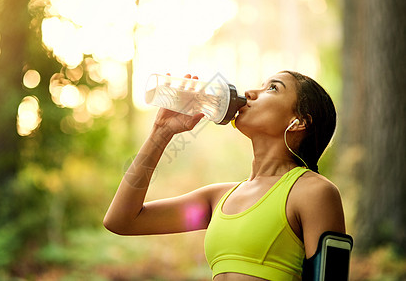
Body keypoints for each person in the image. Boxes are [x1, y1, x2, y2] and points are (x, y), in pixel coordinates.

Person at [103, 71, 346, 281]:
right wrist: (161, 132)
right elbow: (123, 220)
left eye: (272, 88)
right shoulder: (217, 198)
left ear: (299, 122)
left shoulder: (314, 192)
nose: (250, 92)